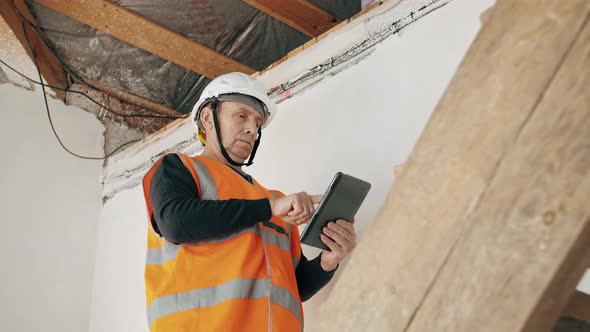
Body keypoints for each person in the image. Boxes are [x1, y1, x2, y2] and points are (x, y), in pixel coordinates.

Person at [141, 72, 357, 331]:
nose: (252, 129)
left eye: (257, 122)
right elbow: (175, 223)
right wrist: (270, 209)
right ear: (208, 118)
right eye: (242, 115)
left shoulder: (277, 201)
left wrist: (329, 259)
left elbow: (293, 286)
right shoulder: (178, 168)